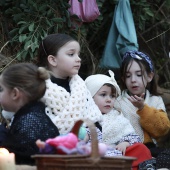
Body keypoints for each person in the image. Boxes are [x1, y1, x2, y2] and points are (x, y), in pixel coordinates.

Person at [37, 33, 103, 137]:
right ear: (53, 60)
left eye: (78, 54)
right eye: (71, 54)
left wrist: (86, 137)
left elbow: (96, 124)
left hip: (83, 148)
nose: (78, 59)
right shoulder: (38, 88)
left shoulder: (80, 88)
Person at [85, 70, 152, 170]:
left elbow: (133, 137)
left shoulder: (117, 117)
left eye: (112, 96)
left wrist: (125, 142)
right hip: (95, 156)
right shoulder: (83, 116)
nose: (109, 99)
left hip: (118, 153)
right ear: (90, 97)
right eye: (103, 95)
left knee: (141, 148)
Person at [0, 63, 60, 164]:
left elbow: (16, 159)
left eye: (1, 89)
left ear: (15, 93)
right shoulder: (35, 116)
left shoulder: (28, 123)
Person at [114, 50, 170, 157]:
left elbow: (162, 129)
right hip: (127, 150)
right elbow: (113, 128)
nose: (133, 80)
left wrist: (143, 108)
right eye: (128, 76)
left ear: (149, 76)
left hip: (151, 150)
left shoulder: (156, 100)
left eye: (139, 74)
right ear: (123, 79)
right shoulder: (118, 102)